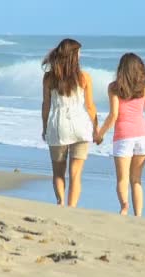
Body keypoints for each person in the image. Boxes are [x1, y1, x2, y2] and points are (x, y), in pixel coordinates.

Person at [95, 53, 145, 216]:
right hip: (143, 136)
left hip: (123, 136)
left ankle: (124, 206)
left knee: (122, 179)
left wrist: (100, 134)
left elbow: (113, 115)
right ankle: (138, 215)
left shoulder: (114, 87)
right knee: (136, 180)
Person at [41, 38, 98, 207]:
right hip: (80, 124)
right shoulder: (84, 77)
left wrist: (45, 127)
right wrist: (96, 129)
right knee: (76, 173)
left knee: (58, 172)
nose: (80, 55)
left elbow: (46, 104)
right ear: (73, 55)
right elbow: (90, 105)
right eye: (79, 52)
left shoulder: (49, 77)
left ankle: (60, 202)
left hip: (58, 125)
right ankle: (72, 207)